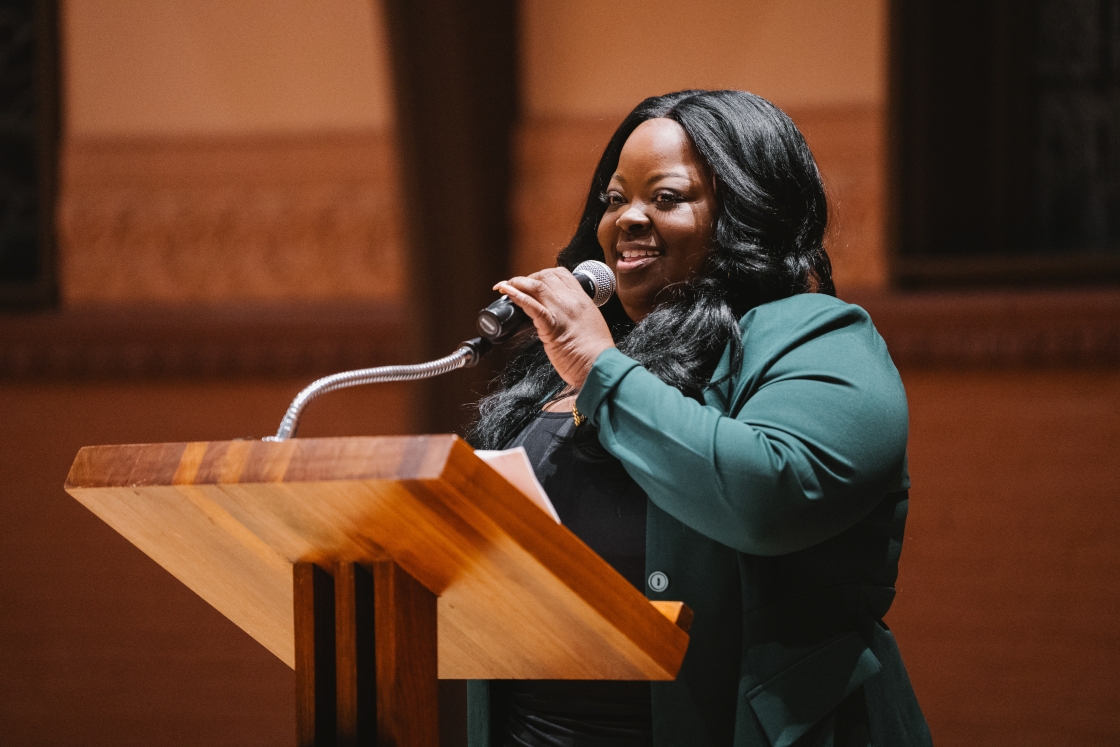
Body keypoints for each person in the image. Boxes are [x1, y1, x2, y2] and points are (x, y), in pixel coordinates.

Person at [466, 90, 932, 747]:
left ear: (746, 210)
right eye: (614, 197)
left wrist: (598, 367)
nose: (627, 218)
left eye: (665, 196)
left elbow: (767, 496)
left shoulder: (819, 337)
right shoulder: (591, 357)